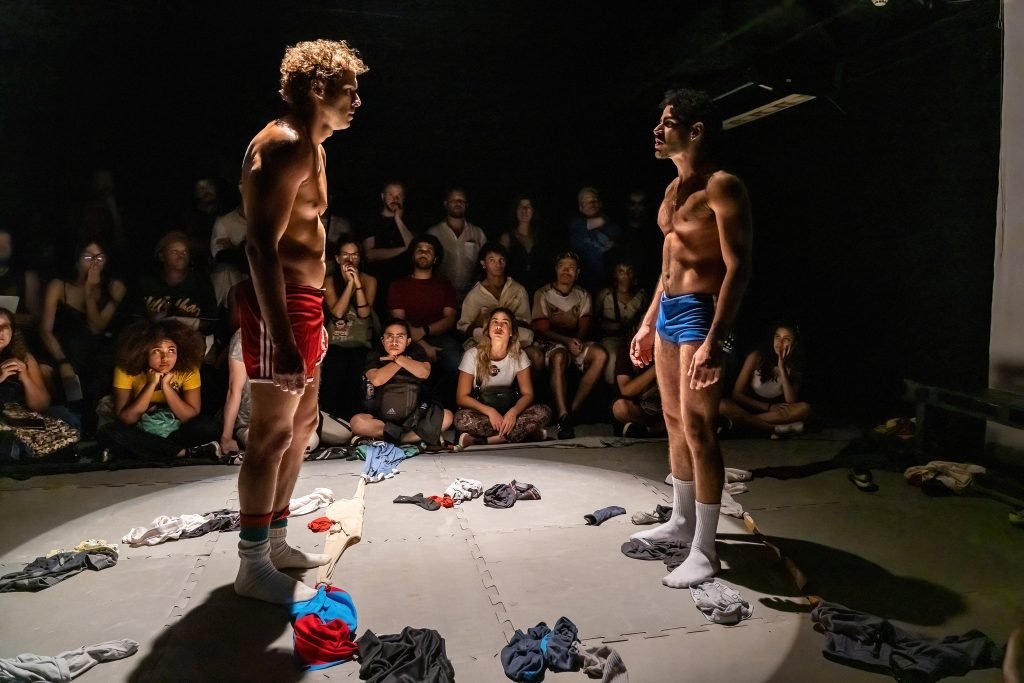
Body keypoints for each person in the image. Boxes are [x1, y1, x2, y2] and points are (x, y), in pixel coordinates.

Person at [233, 39, 368, 605]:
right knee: (269, 435)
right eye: (349, 89)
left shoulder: (315, 148)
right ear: (319, 90)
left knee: (304, 425)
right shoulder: (284, 146)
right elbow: (260, 248)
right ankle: (252, 561)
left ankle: (279, 538)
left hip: (305, 302)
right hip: (278, 305)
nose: (357, 100)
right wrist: (285, 340)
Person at [628, 88, 753, 589]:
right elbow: (667, 269)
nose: (657, 130)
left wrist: (716, 341)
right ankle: (681, 522)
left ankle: (706, 548)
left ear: (695, 130)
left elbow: (738, 268)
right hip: (669, 313)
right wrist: (645, 321)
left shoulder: (723, 187)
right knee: (675, 420)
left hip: (703, 313)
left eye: (668, 122)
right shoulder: (671, 192)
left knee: (701, 429)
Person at [96, 319, 220, 461]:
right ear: (143, 352)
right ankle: (184, 453)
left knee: (209, 427)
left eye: (171, 350)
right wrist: (151, 384)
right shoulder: (125, 370)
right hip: (139, 429)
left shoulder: (188, 369)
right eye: (157, 351)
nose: (165, 357)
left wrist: (167, 387)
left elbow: (190, 416)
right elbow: (127, 418)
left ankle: (147, 450)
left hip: (175, 429)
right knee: (109, 432)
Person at [38, 238, 126, 435]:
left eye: (99, 257)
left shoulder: (115, 287)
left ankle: (89, 431)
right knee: (48, 371)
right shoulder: (59, 286)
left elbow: (96, 327)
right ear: (77, 261)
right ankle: (56, 430)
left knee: (95, 375)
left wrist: (89, 292)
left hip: (94, 352)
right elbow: (45, 329)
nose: (94, 262)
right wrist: (62, 362)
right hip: (60, 350)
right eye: (88, 257)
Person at [531, 251, 608, 439]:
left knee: (601, 355)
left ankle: (571, 411)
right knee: (558, 357)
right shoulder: (543, 293)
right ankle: (562, 413)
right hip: (550, 342)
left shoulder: (582, 295)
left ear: (578, 272)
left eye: (571, 267)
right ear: (556, 270)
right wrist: (566, 341)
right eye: (562, 266)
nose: (567, 270)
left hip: (575, 341)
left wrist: (577, 341)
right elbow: (542, 329)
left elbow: (583, 325)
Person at [454, 308, 551, 448]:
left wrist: (513, 412)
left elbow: (528, 394)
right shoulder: (472, 355)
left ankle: (485, 441)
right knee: (461, 419)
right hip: (484, 414)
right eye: (495, 322)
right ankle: (525, 435)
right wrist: (490, 411)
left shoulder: (519, 355)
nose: (499, 326)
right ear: (488, 330)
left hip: (509, 413)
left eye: (505, 323)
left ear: (511, 332)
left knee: (544, 412)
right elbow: (461, 397)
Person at [350, 318, 453, 445]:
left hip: (414, 418)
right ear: (382, 340)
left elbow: (424, 372)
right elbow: (376, 379)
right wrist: (399, 362)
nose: (394, 341)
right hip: (382, 420)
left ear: (408, 341)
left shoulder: (416, 351)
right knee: (357, 422)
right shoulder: (375, 354)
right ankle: (410, 438)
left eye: (400, 337)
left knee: (447, 417)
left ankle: (397, 438)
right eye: (390, 337)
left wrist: (399, 358)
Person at [320, 234, 378, 419]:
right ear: (337, 258)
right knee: (336, 367)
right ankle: (332, 418)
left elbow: (364, 313)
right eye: (345, 255)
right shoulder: (329, 281)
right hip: (336, 342)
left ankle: (354, 420)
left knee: (357, 369)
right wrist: (349, 285)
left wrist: (358, 284)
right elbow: (337, 312)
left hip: (360, 342)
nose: (349, 260)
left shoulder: (369, 280)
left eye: (354, 255)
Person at [719, 322, 811, 437]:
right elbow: (737, 394)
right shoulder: (757, 357)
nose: (780, 342)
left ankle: (740, 425)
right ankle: (773, 429)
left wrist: (782, 367)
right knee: (722, 405)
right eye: (777, 337)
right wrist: (768, 406)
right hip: (749, 407)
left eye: (786, 339)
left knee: (805, 409)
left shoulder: (796, 366)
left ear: (795, 344)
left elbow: (791, 401)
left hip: (772, 414)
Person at [362, 180, 415, 315]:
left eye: (399, 195)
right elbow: (370, 255)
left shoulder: (410, 221)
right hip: (378, 285)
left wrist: (398, 220)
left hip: (404, 284)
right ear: (382, 196)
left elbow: (415, 248)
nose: (395, 199)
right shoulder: (371, 220)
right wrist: (404, 249)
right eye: (391, 195)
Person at [427, 187, 488, 301]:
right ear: (446, 204)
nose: (458, 203)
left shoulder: (478, 233)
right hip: (440, 296)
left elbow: (487, 264)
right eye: (454, 200)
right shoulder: (434, 233)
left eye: (461, 200)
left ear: (467, 205)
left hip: (471, 297)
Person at [594, 256, 648, 385]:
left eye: (629, 272)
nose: (625, 276)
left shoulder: (641, 296)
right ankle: (613, 392)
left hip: (633, 339)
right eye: (621, 271)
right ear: (615, 274)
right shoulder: (605, 295)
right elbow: (594, 321)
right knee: (613, 356)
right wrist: (610, 326)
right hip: (611, 339)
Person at [568, 187, 622, 292]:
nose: (592, 203)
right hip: (582, 285)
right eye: (587, 201)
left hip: (609, 285)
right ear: (580, 207)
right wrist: (604, 219)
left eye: (594, 200)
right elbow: (597, 222)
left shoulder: (614, 228)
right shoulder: (575, 224)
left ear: (600, 204)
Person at [498, 195, 551, 297]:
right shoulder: (507, 238)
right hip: (514, 294)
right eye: (521, 206)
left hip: (539, 294)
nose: (524, 210)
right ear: (515, 210)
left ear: (533, 210)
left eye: (528, 206)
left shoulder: (541, 238)